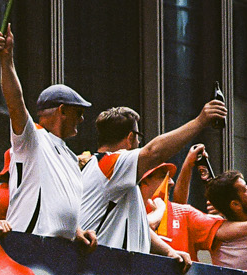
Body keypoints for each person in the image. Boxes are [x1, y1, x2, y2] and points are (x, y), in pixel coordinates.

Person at [0, 27, 98, 242]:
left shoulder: (70, 158)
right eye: (78, 113)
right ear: (62, 110)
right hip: (28, 244)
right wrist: (6, 60)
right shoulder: (33, 139)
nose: (82, 120)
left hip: (57, 253)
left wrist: (77, 232)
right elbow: (15, 103)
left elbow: (58, 205)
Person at [80, 96, 228, 252]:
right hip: (99, 262)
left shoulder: (106, 171)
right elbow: (153, 152)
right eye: (139, 137)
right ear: (130, 137)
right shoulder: (110, 164)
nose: (139, 144)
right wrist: (200, 121)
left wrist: (169, 252)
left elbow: (140, 229)